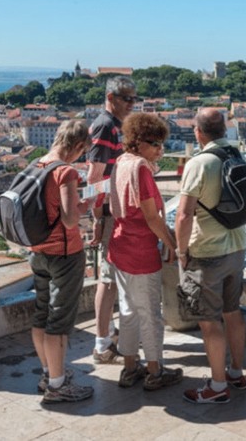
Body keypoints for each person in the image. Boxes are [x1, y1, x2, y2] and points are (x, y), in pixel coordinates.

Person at [176, 108, 246, 404]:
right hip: (237, 246)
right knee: (233, 312)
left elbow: (183, 215)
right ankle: (236, 372)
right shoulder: (237, 155)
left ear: (198, 132)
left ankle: (217, 388)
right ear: (224, 130)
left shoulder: (199, 164)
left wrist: (182, 252)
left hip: (208, 251)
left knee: (209, 321)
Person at [107, 112, 183, 390]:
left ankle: (129, 368)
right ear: (138, 142)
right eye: (155, 144)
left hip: (119, 247)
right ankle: (155, 371)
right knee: (150, 312)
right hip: (140, 250)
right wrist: (172, 243)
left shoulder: (120, 163)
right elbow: (151, 217)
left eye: (162, 144)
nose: (160, 150)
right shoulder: (141, 168)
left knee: (127, 310)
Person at [30, 119, 96, 403]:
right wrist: (88, 204)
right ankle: (58, 386)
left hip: (38, 252)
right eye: (83, 151)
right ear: (79, 146)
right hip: (64, 254)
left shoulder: (38, 163)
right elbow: (70, 218)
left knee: (41, 314)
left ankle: (48, 373)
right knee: (59, 320)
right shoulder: (65, 171)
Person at [88, 75, 137, 363]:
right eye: (126, 98)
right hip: (109, 213)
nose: (132, 104)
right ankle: (102, 344)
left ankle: (110, 335)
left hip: (115, 212)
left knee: (112, 278)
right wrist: (97, 216)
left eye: (134, 98)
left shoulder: (116, 126)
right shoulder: (106, 126)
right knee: (107, 280)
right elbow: (95, 177)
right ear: (111, 98)